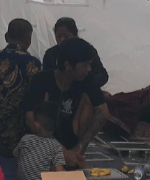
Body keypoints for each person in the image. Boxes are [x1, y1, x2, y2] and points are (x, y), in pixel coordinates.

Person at [24, 37, 107, 169]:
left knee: (89, 105)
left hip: (72, 138)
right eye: (85, 65)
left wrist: (79, 148)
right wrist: (59, 151)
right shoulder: (41, 80)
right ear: (68, 65)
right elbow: (30, 119)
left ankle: (75, 156)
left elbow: (103, 111)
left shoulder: (86, 80)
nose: (89, 69)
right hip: (44, 140)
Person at [0, 19, 43, 157]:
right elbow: (37, 101)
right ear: (29, 38)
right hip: (16, 137)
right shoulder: (32, 63)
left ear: (6, 37)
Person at [13, 102, 66, 180]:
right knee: (55, 168)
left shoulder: (25, 139)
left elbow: (16, 159)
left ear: (36, 125)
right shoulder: (55, 146)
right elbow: (59, 172)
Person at [41, 17, 110, 89]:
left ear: (75, 35)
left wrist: (88, 84)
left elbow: (102, 75)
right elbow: (47, 78)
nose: (62, 39)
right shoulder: (50, 54)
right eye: (58, 36)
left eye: (66, 36)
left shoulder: (87, 51)